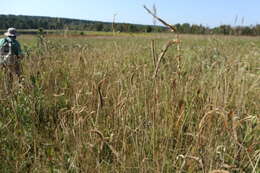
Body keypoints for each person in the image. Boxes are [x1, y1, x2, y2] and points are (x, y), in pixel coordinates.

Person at [0, 28, 24, 92]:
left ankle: (6, 91)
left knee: (5, 77)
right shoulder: (15, 43)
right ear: (15, 35)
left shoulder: (1, 40)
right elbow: (20, 55)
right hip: (12, 62)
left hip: (2, 63)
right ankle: (19, 90)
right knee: (20, 76)